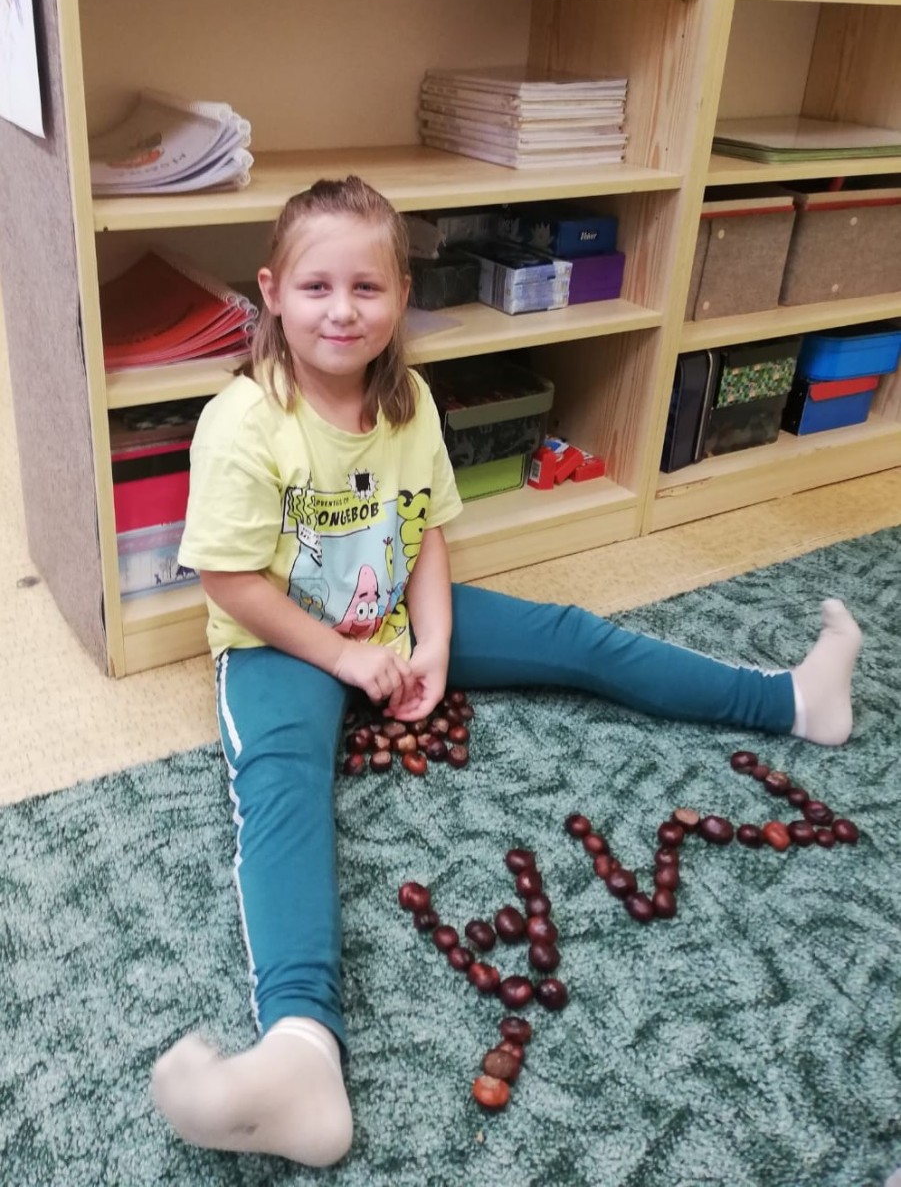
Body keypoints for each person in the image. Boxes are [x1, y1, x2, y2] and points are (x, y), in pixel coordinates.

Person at [151, 176, 862, 1167]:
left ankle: (789, 699)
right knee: (281, 787)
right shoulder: (243, 421)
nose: (342, 310)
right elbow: (230, 579)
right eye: (316, 287)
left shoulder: (408, 402)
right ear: (272, 293)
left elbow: (427, 536)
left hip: (393, 616)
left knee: (574, 638)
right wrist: (344, 656)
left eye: (366, 287)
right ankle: (301, 1048)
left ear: (402, 296)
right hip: (280, 641)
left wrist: (432, 646)